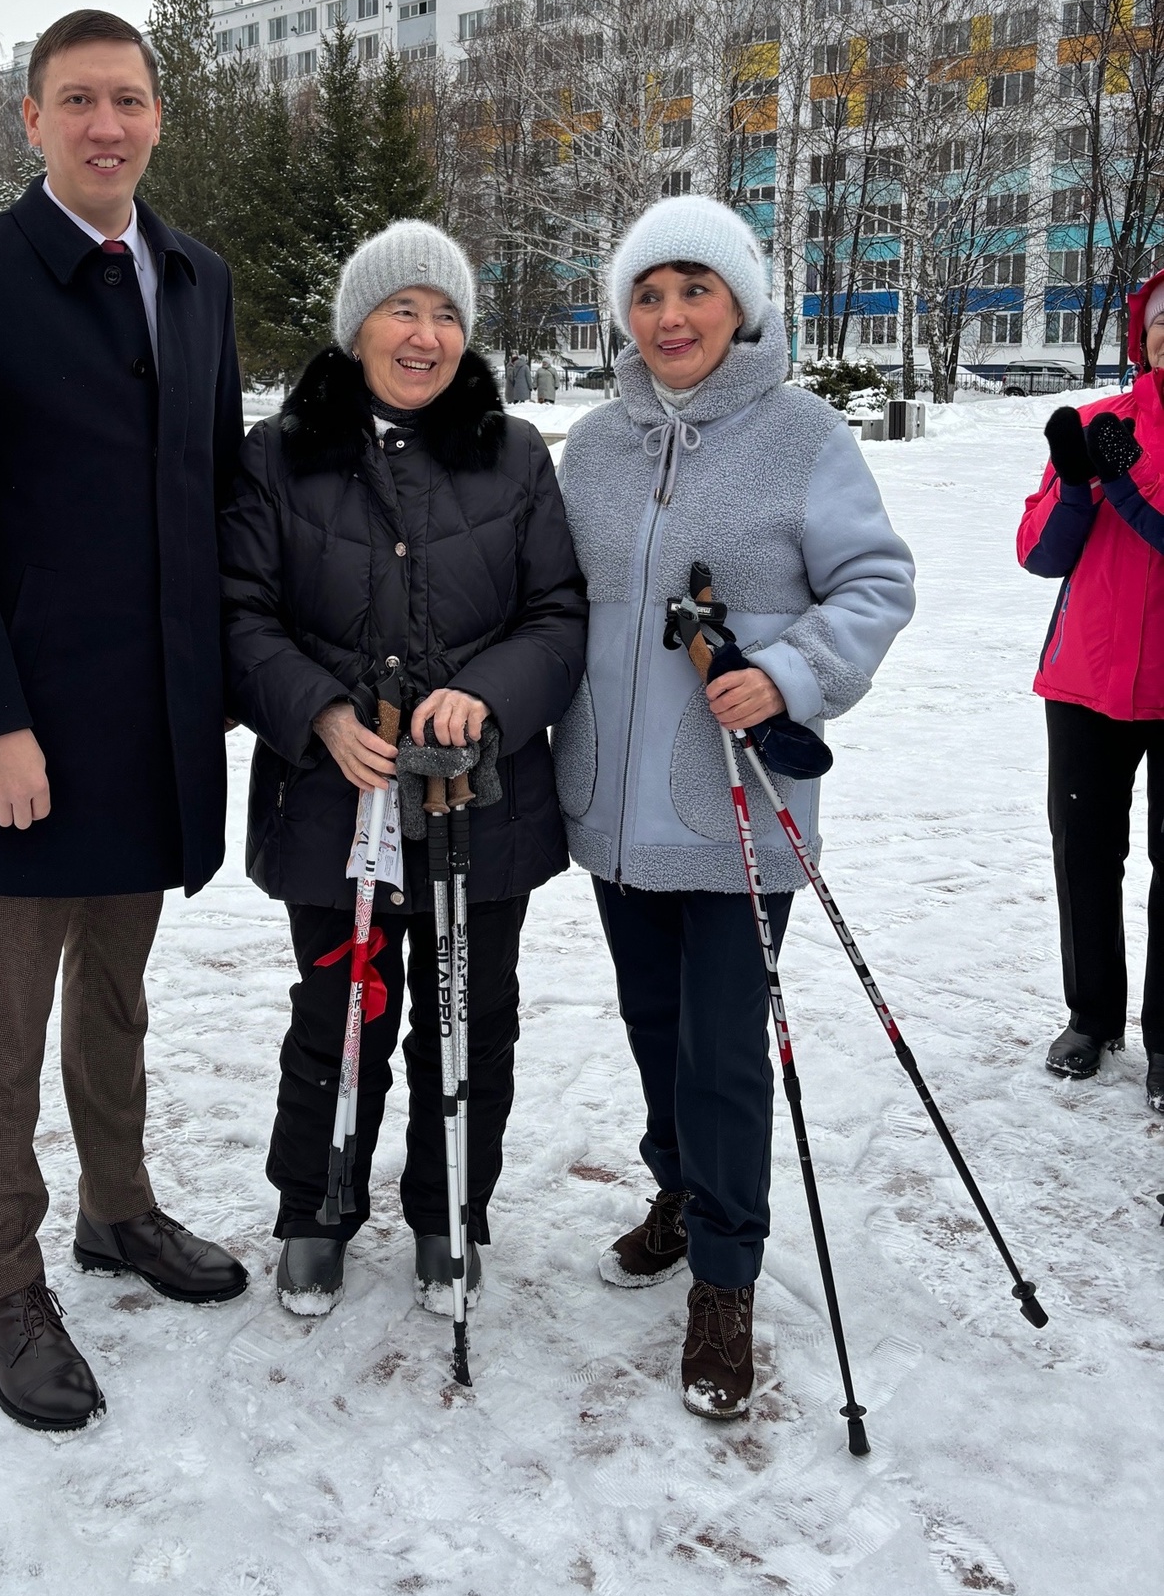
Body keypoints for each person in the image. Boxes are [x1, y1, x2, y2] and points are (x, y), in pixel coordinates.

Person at [0, 8, 249, 1435]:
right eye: (79, 100)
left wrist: (232, 688)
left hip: (156, 723)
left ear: (158, 117)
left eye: (131, 100)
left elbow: (220, 498)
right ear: (30, 120)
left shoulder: (197, 279)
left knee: (118, 996)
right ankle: (5, 1284)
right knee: (7, 1022)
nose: (109, 124)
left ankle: (119, 1211)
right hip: (30, 733)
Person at [555, 195, 914, 1421]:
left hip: (738, 816)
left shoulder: (801, 433)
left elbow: (875, 581)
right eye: (648, 296)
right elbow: (554, 605)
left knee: (724, 1054)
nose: (669, 316)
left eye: (694, 290)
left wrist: (791, 671)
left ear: (741, 303)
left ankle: (726, 1274)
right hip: (609, 809)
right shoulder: (594, 445)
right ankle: (678, 1188)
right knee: (655, 1030)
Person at [220, 221, 587, 1316]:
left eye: (444, 315)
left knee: (473, 1017)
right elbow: (238, 615)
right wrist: (322, 713)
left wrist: (493, 697)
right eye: (401, 310)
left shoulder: (514, 453)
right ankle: (316, 1208)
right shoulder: (279, 454)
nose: (423, 336)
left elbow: (558, 615)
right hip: (335, 803)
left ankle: (449, 1210)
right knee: (341, 1012)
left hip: (481, 801)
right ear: (357, 327)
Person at [1017, 271, 1164, 1114]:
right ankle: (1091, 1015)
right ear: (1142, 337)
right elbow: (1041, 554)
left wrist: (1133, 482)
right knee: (1085, 855)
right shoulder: (1100, 423)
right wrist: (1076, 487)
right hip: (1088, 679)